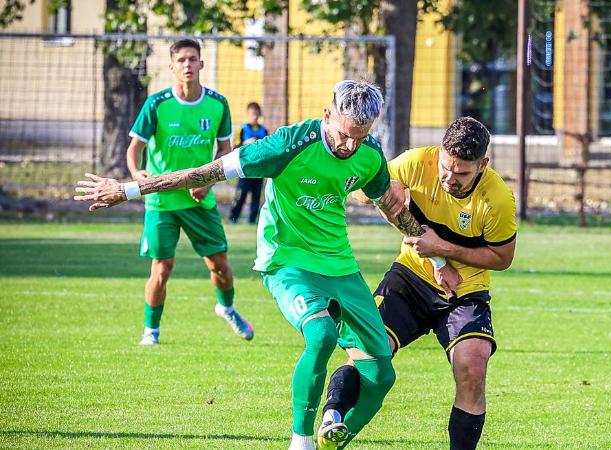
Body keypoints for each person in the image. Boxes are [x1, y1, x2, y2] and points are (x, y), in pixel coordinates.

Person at [75, 80, 446, 450]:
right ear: (327, 114)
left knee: (381, 374)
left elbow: (389, 203)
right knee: (321, 336)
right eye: (345, 135)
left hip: (341, 266)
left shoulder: (370, 153)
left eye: (360, 137)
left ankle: (337, 438)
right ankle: (300, 442)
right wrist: (126, 190)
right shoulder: (287, 145)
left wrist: (439, 257)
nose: (351, 146)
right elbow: (204, 172)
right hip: (286, 260)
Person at [319, 117, 517, 450]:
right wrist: (384, 191)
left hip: (463, 293)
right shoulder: (416, 161)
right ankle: (332, 420)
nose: (449, 179)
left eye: (462, 173)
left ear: (483, 164)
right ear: (439, 152)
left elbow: (502, 258)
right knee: (365, 353)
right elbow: (359, 188)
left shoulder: (497, 199)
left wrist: (443, 250)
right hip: (409, 279)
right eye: (445, 168)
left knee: (473, 366)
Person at [124, 38, 253, 346]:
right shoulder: (157, 104)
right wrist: (136, 173)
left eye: (192, 59)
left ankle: (227, 307)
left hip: (199, 201)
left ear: (201, 64)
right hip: (161, 200)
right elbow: (134, 148)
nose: (187, 65)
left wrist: (207, 182)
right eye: (181, 60)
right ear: (172, 66)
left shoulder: (217, 104)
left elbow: (225, 152)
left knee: (219, 263)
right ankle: (150, 332)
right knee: (162, 267)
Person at [229, 102, 268, 224]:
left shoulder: (264, 131)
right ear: (248, 114)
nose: (255, 116)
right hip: (245, 170)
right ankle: (233, 218)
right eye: (252, 114)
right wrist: (246, 143)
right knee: (241, 195)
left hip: (258, 170)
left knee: (256, 197)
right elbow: (235, 148)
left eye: (257, 114)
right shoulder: (242, 130)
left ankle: (252, 220)